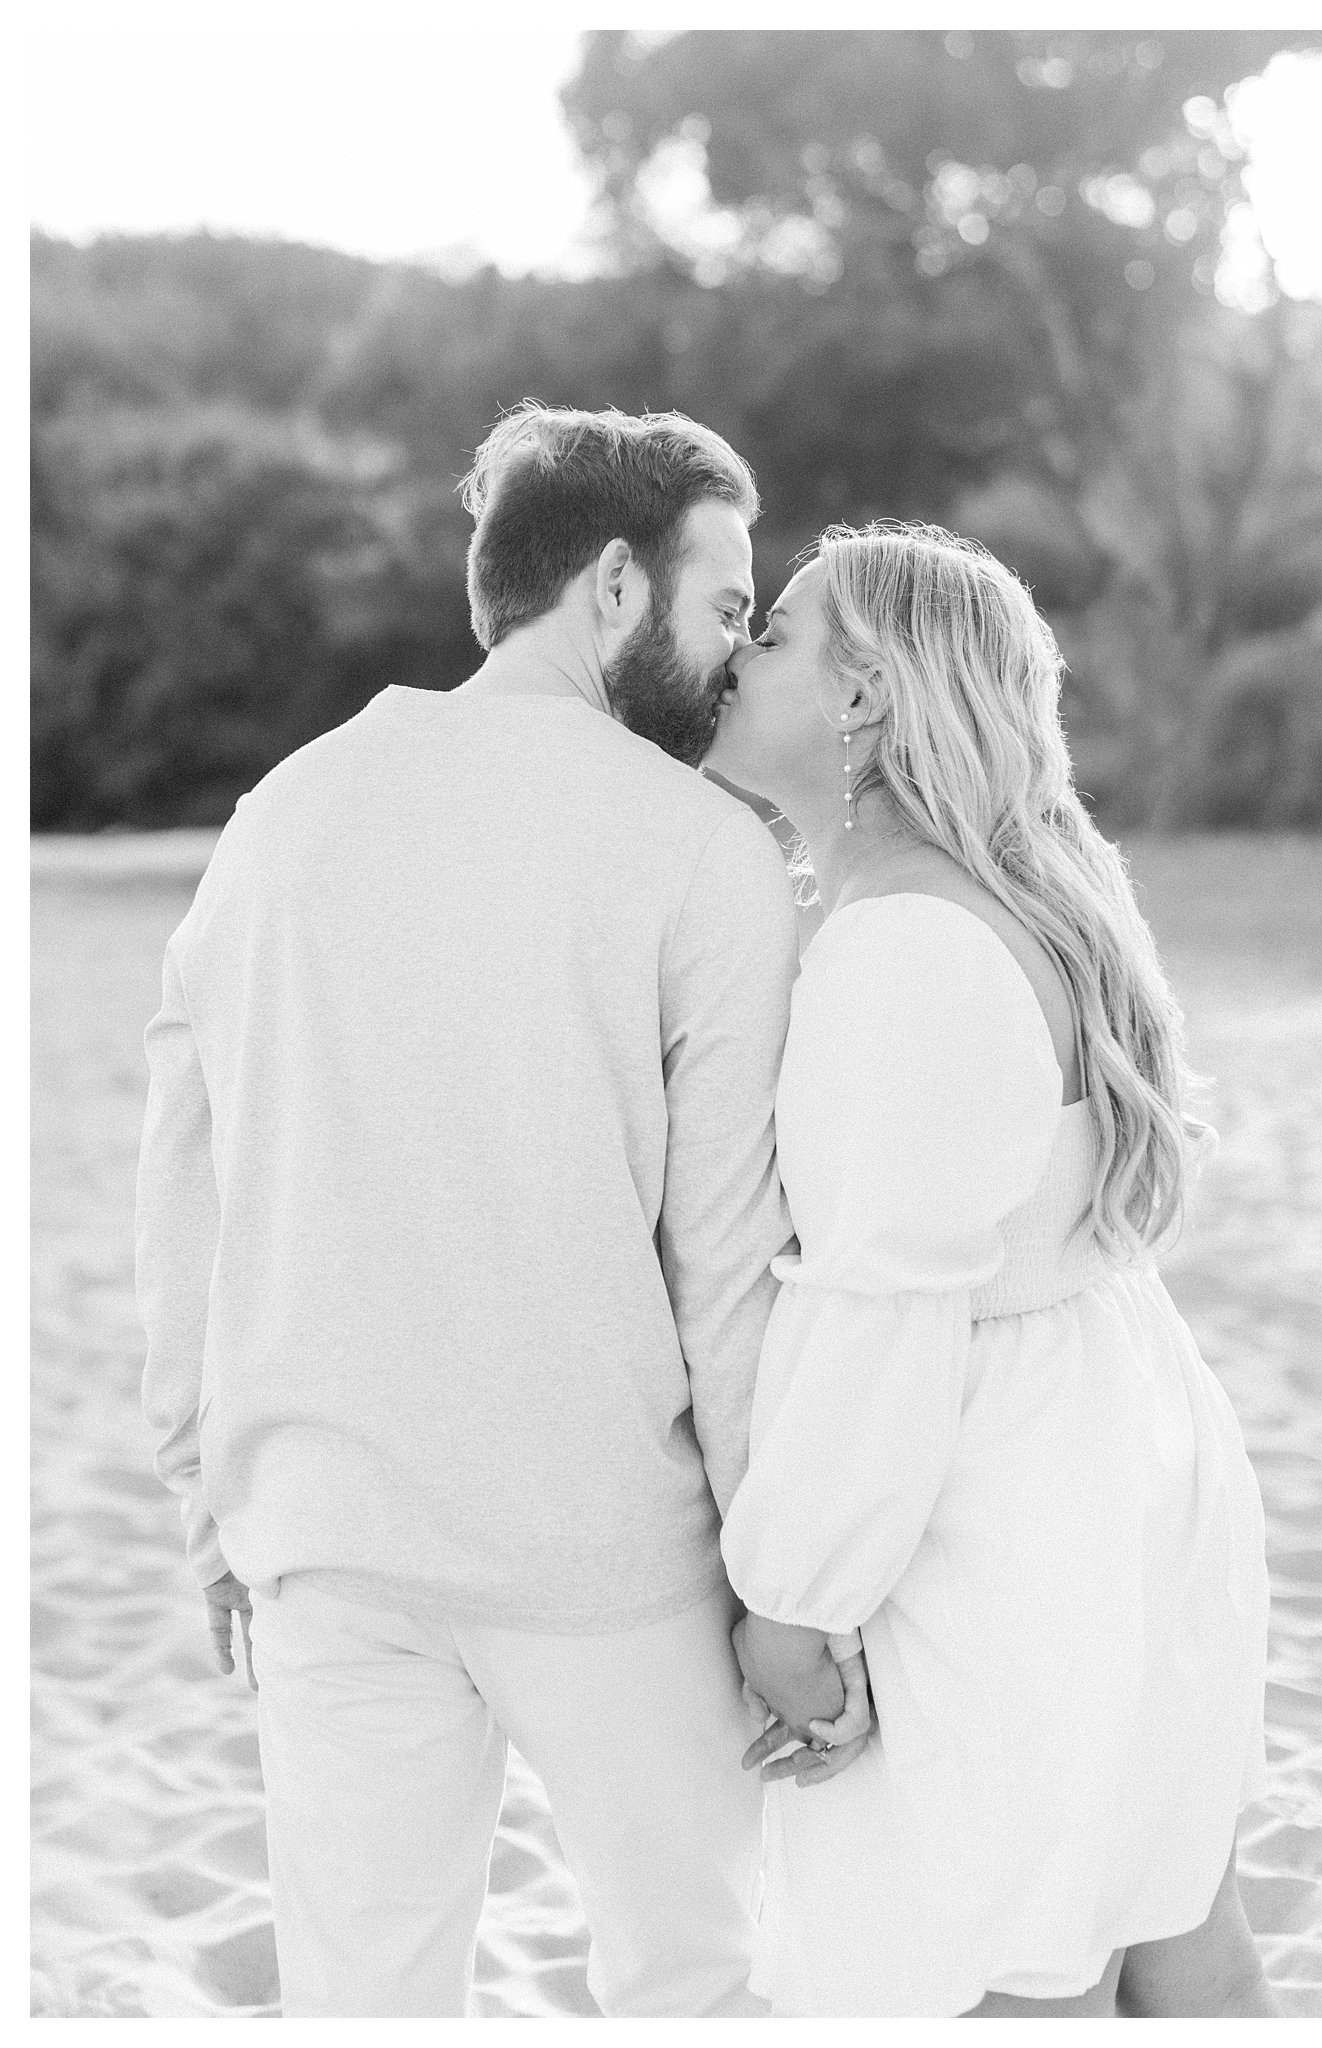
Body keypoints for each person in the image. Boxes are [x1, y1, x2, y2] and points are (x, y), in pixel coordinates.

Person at [134, 404, 816, 2018]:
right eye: (726, 604)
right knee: (694, 1989)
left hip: (325, 1533)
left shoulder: (277, 817)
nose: (737, 650)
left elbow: (187, 1180)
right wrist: (782, 1582)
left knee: (364, 2003)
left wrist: (206, 1484)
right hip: (606, 1557)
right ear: (611, 589)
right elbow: (726, 1272)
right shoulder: (702, 852)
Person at [703, 521, 1278, 2018]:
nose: (734, 651)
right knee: (1161, 1924)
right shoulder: (1015, 902)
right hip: (1122, 1437)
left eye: (772, 631)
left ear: (865, 698)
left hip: (1008, 1503)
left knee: (1001, 1966)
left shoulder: (903, 943)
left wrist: (795, 1601)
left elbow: (887, 1311)